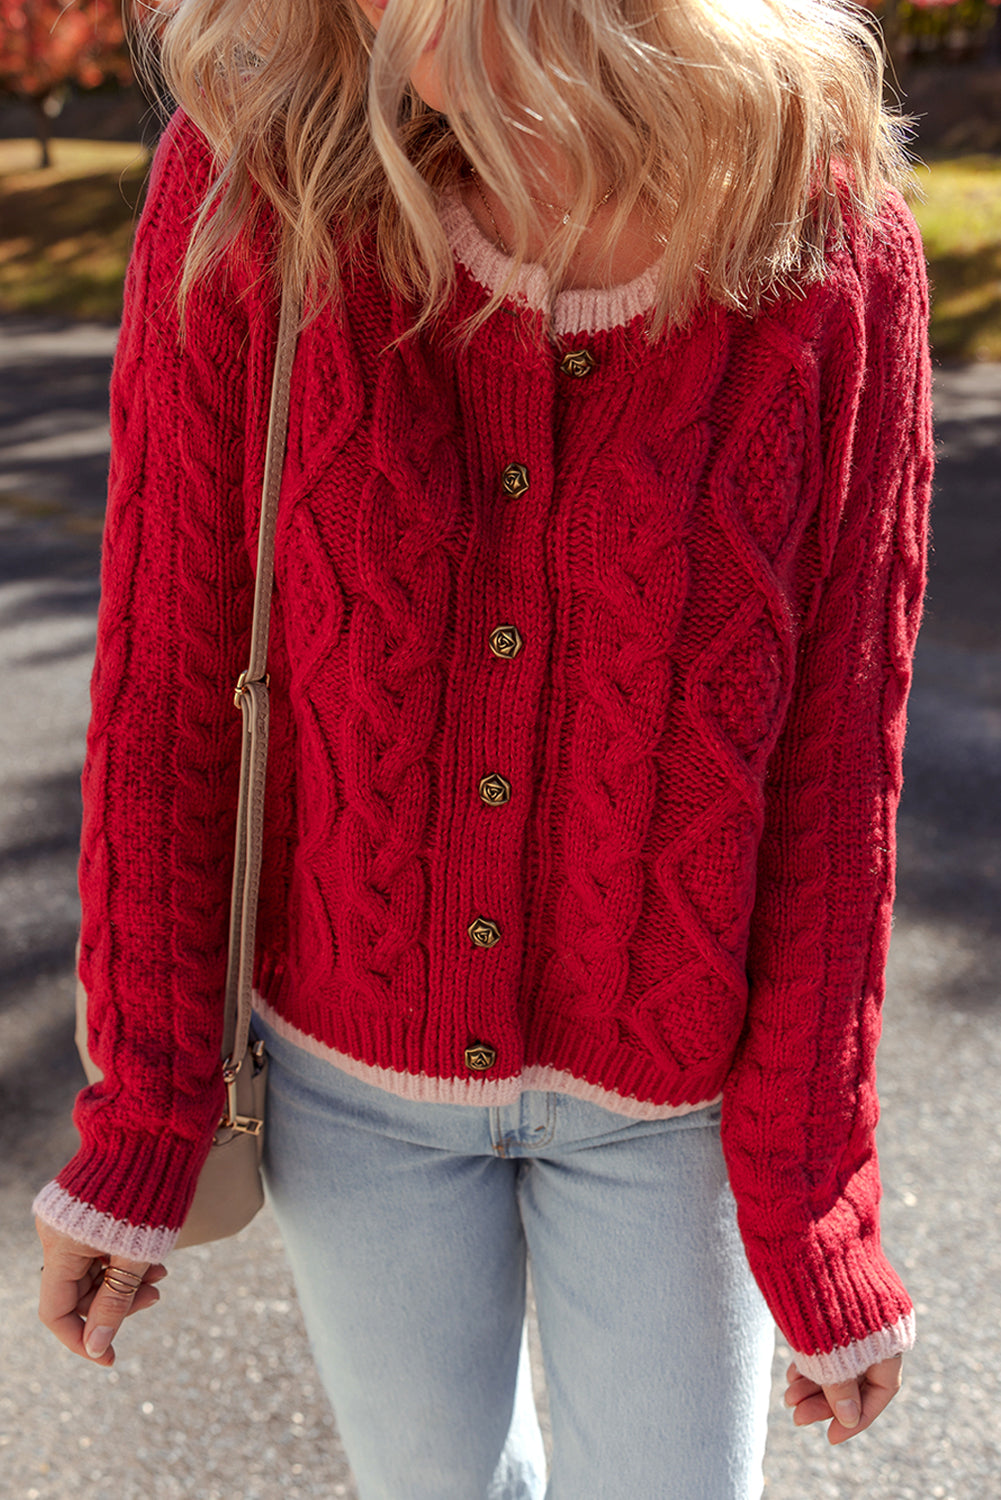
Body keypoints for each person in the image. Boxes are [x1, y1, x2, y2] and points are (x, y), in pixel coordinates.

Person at [34, 2, 934, 1495]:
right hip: (348, 1078)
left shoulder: (825, 237)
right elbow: (168, 692)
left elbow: (840, 767)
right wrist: (143, 1115)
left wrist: (813, 1200)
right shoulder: (253, 186)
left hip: (674, 1105)